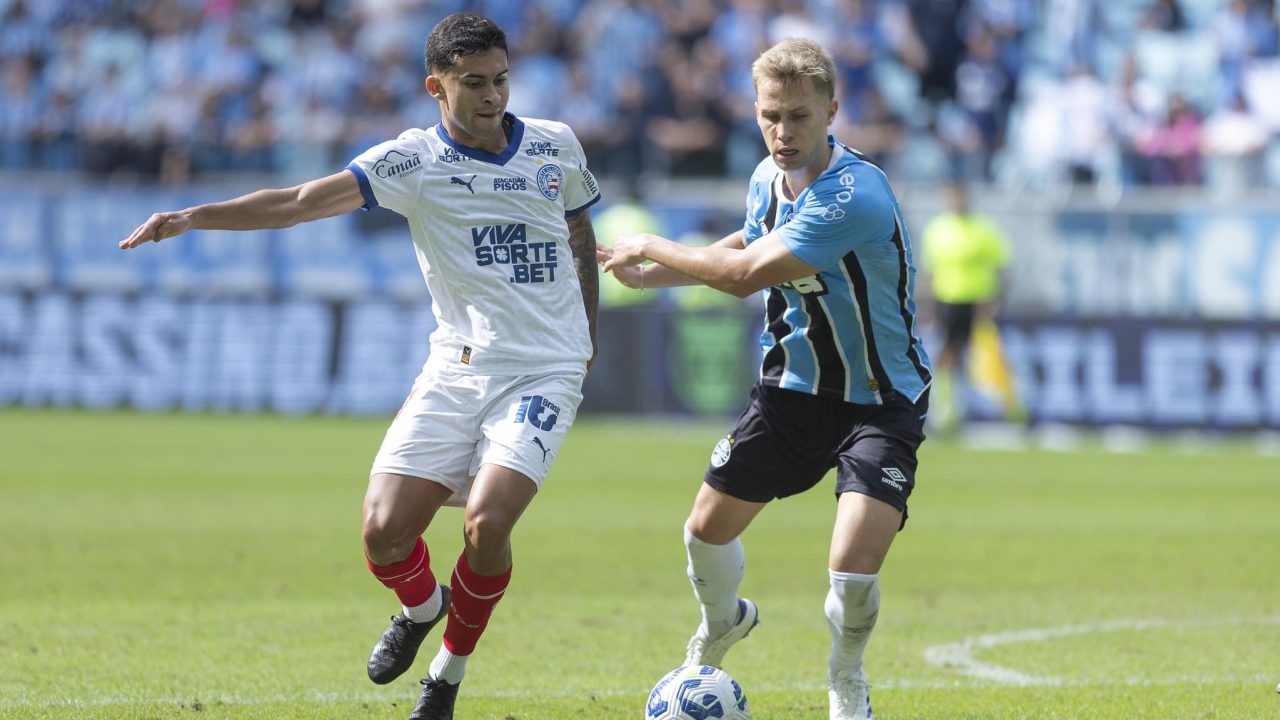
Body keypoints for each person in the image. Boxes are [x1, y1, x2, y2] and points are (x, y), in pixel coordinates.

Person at [119, 13, 601, 720]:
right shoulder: (412, 162)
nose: (493, 95)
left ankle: (446, 677)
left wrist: (586, 340)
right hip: (458, 365)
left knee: (486, 523)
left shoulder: (555, 144)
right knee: (383, 532)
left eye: (501, 79)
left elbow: (581, 230)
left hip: (544, 370)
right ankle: (423, 607)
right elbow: (296, 203)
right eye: (474, 83)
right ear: (436, 87)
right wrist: (196, 215)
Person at [600, 38, 931, 720]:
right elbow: (750, 242)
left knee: (851, 571)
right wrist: (654, 275)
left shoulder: (855, 194)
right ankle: (723, 620)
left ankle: (846, 676)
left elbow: (745, 277)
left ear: (831, 111)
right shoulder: (765, 177)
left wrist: (652, 243)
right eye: (770, 116)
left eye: (799, 116)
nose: (783, 132)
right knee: (703, 531)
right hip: (792, 393)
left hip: (879, 400)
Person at [919, 182, 1010, 431]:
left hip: (978, 301)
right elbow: (930, 270)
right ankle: (946, 408)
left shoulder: (983, 228)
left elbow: (1001, 266)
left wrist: (996, 298)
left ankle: (1000, 406)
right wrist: (928, 304)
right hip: (947, 300)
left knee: (981, 353)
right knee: (947, 353)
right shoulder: (937, 230)